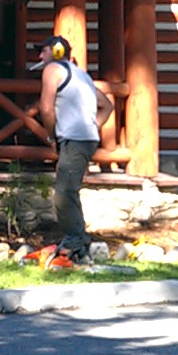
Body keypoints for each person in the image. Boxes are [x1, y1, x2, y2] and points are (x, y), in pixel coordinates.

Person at [35, 35, 114, 263]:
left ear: (57, 52)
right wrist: (92, 127)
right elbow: (106, 106)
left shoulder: (52, 70)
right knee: (68, 190)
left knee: (65, 193)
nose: (41, 56)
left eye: (44, 51)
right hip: (83, 139)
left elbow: (47, 108)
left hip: (74, 139)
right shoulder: (82, 75)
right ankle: (76, 240)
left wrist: (51, 136)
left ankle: (76, 243)